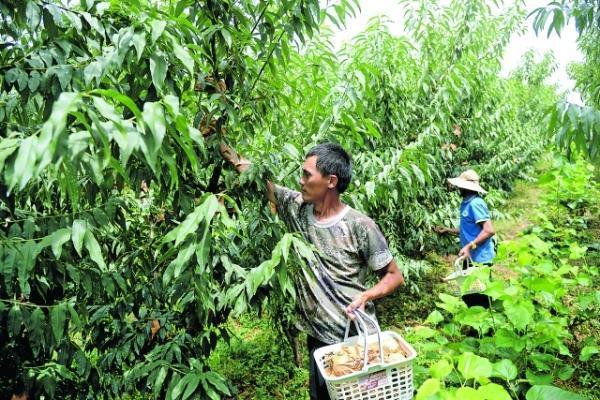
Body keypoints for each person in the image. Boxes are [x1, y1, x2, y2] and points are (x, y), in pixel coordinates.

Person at [219, 142, 405, 400]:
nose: (301, 180)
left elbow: (394, 275)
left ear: (331, 181)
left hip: (355, 340)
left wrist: (366, 296)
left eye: (307, 175)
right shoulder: (296, 208)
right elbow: (260, 181)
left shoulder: (360, 226)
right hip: (319, 342)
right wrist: (224, 146)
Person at [435, 169, 496, 308]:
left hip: (480, 259)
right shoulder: (467, 203)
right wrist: (448, 230)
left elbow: (489, 230)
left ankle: (484, 327)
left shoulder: (476, 204)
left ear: (465, 187)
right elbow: (469, 230)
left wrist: (469, 246)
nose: (458, 188)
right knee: (469, 294)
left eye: (460, 185)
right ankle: (479, 326)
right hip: (470, 258)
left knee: (478, 296)